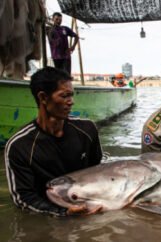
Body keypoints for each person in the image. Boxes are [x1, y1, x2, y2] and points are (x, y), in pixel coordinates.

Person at [5, 67, 103, 216]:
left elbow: (98, 171)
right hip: (51, 213)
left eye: (72, 95)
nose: (71, 102)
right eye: (65, 96)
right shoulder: (19, 146)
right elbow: (22, 198)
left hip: (90, 207)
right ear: (43, 98)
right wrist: (62, 212)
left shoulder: (87, 130)